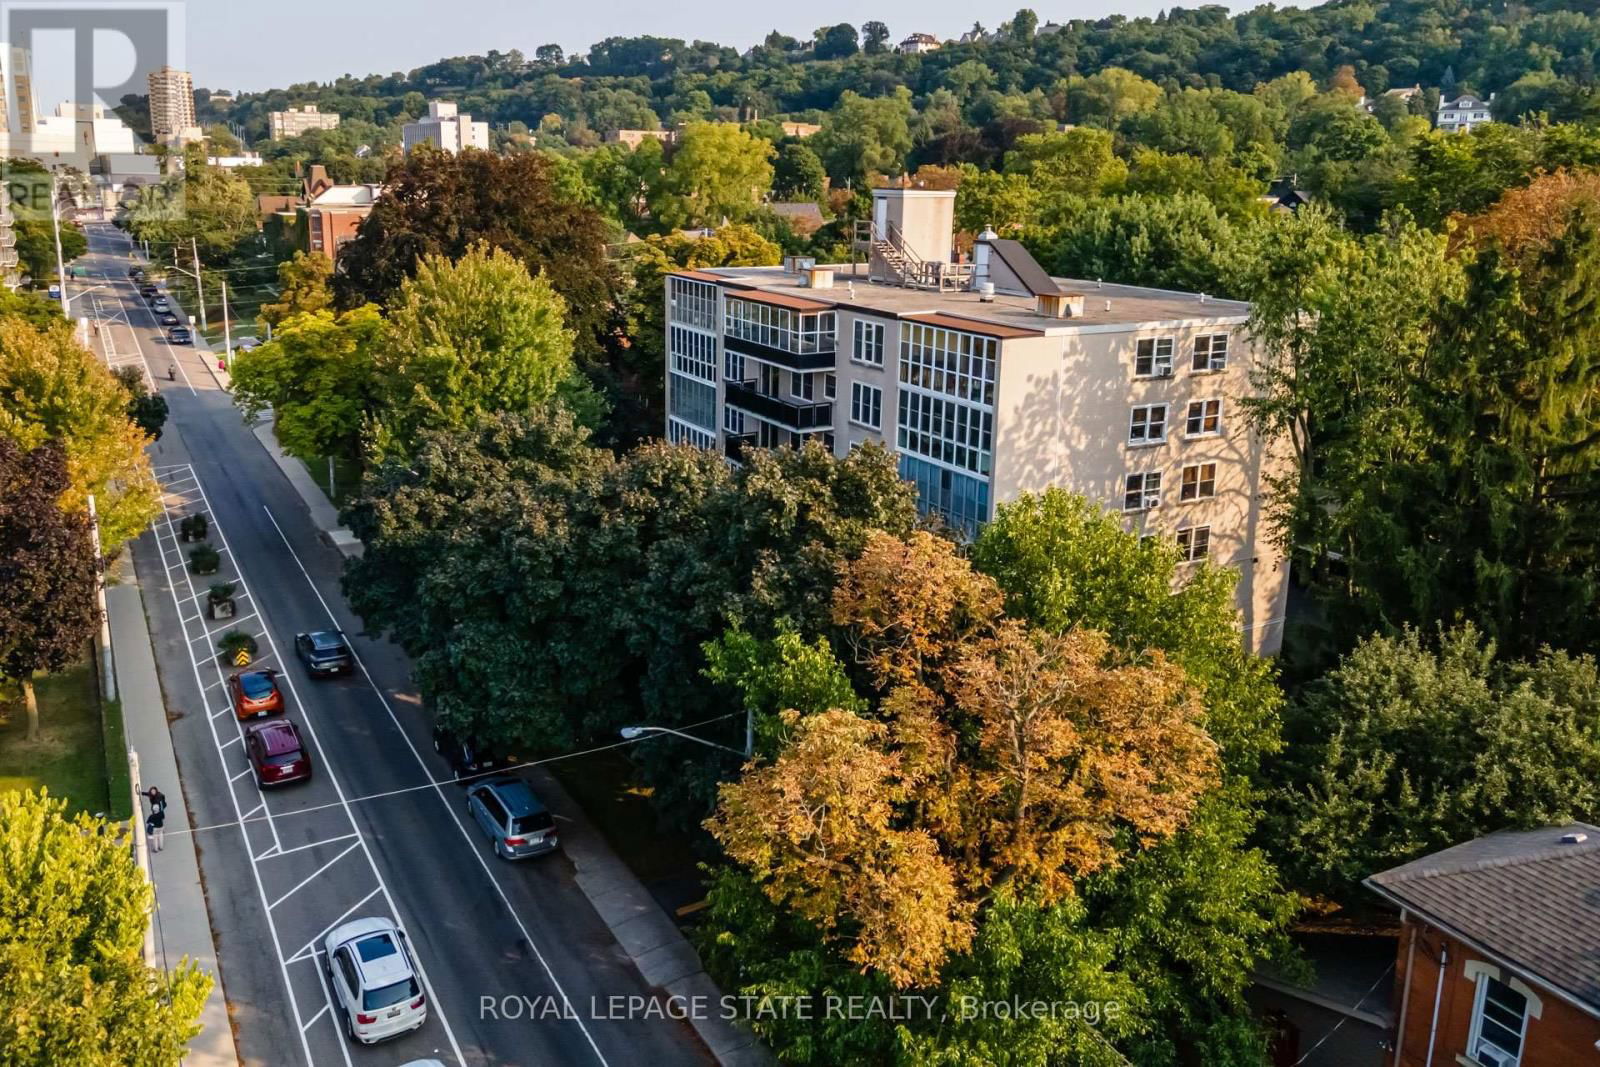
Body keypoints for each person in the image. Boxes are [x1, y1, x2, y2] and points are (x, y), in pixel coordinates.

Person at [144, 787, 167, 853]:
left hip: (155, 828)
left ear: (153, 810)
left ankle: (156, 849)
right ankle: (161, 847)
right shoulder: (161, 814)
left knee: (155, 839)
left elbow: (148, 822)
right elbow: (163, 818)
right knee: (161, 836)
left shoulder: (151, 816)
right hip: (161, 827)